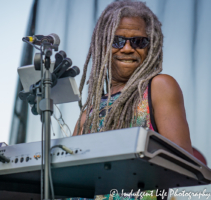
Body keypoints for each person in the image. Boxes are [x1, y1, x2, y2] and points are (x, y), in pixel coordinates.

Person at [69, 1, 193, 200]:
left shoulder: (160, 86)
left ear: (150, 47)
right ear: (103, 46)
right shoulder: (89, 111)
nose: (127, 48)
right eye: (117, 41)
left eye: (138, 41)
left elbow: (184, 165)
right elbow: (68, 172)